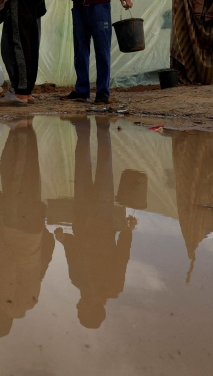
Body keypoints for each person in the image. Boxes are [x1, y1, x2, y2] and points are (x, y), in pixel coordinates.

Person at [55, 117, 135, 329]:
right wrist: (127, 232)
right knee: (104, 165)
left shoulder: (77, 281)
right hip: (103, 217)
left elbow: (72, 252)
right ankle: (103, 126)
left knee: (81, 165)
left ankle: (82, 128)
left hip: (81, 217)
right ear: (93, 309)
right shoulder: (113, 286)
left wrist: (63, 239)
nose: (79, 303)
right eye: (82, 308)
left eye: (78, 307)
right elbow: (122, 257)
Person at [0, 120, 55, 337]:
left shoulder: (31, 296)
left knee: (30, 176)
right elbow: (5, 258)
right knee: (14, 169)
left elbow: (47, 256)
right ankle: (21, 129)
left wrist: (42, 231)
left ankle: (26, 131)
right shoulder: (8, 300)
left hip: (33, 228)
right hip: (15, 224)